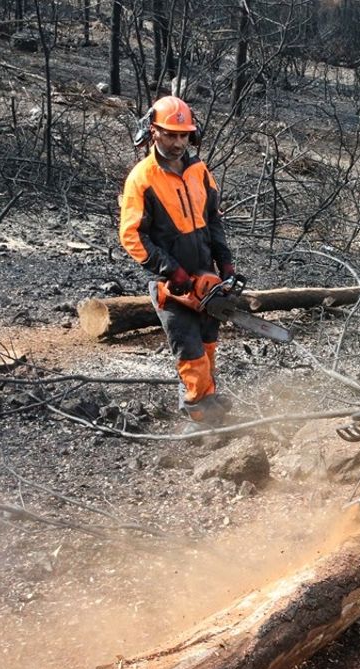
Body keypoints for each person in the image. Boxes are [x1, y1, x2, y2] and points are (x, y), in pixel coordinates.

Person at [119, 96, 236, 424]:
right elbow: (131, 236)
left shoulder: (199, 171)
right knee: (190, 350)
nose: (178, 142)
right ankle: (197, 412)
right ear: (153, 131)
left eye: (183, 135)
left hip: (205, 275)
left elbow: (213, 220)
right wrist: (170, 270)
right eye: (170, 134)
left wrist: (225, 262)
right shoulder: (142, 179)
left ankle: (209, 400)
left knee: (209, 343)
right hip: (172, 283)